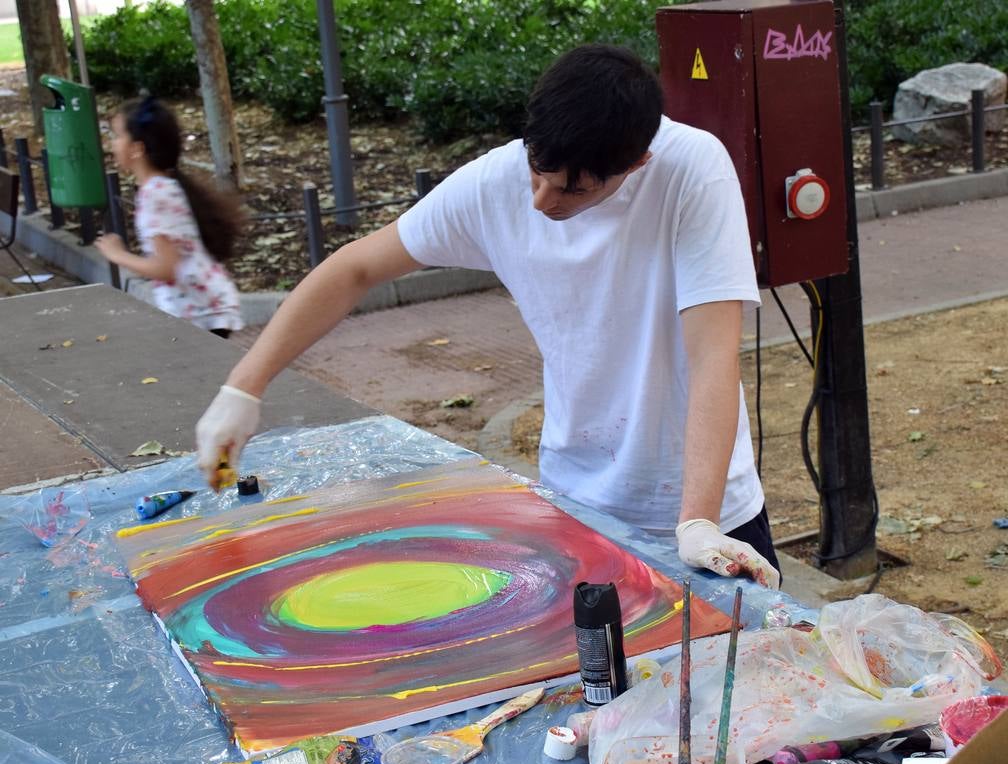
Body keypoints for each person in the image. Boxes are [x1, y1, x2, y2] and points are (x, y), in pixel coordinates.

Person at [195, 44, 781, 589]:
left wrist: (698, 522)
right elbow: (354, 268)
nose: (541, 200)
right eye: (537, 171)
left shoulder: (691, 169)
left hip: (705, 519)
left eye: (571, 190)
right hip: (577, 506)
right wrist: (244, 385)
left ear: (636, 163)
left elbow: (712, 354)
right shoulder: (496, 182)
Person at [96, 96, 244, 338]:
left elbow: (165, 268)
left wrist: (118, 255)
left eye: (117, 136)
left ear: (137, 148)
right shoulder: (162, 187)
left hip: (199, 313)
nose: (112, 144)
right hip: (200, 308)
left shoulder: (156, 194)